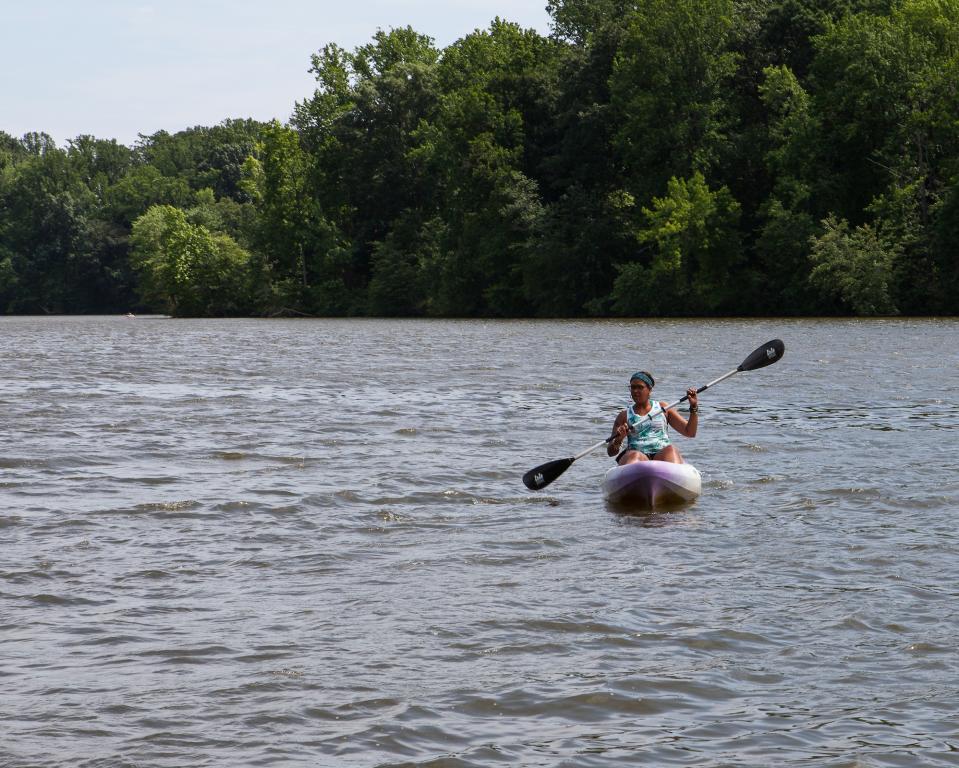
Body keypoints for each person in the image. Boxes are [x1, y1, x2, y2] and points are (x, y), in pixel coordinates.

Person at [607, 371, 699, 465]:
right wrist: (618, 440)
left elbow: (690, 432)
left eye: (640, 387)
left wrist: (693, 407)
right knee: (635, 455)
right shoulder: (623, 415)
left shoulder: (663, 408)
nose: (635, 391)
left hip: (662, 455)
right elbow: (610, 452)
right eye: (633, 387)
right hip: (638, 456)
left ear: (650, 390)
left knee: (671, 449)